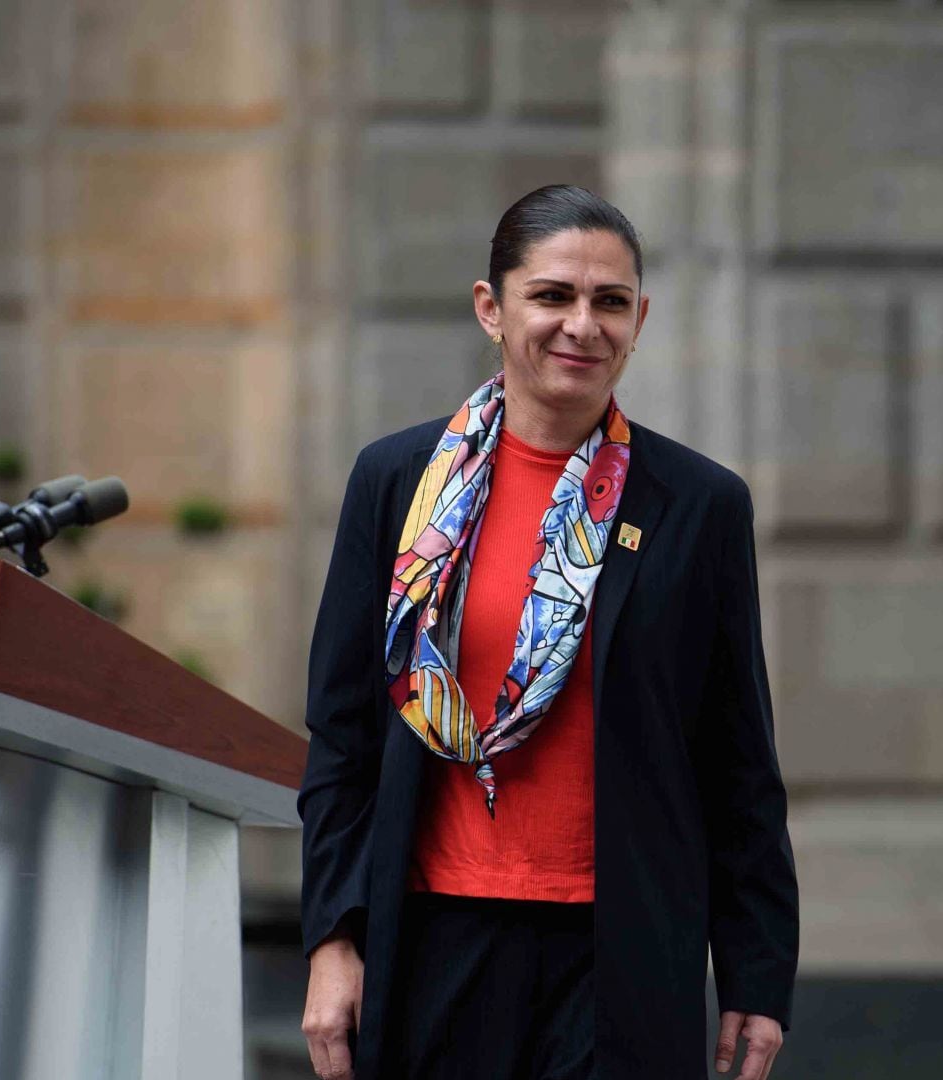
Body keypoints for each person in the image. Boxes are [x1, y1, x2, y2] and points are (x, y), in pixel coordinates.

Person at [297, 185, 799, 1080]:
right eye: (553, 296)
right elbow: (343, 738)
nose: (583, 325)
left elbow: (738, 761)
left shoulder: (699, 505)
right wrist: (333, 938)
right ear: (492, 308)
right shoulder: (395, 481)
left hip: (623, 950)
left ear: (639, 320)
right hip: (433, 937)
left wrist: (758, 971)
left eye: (610, 302)